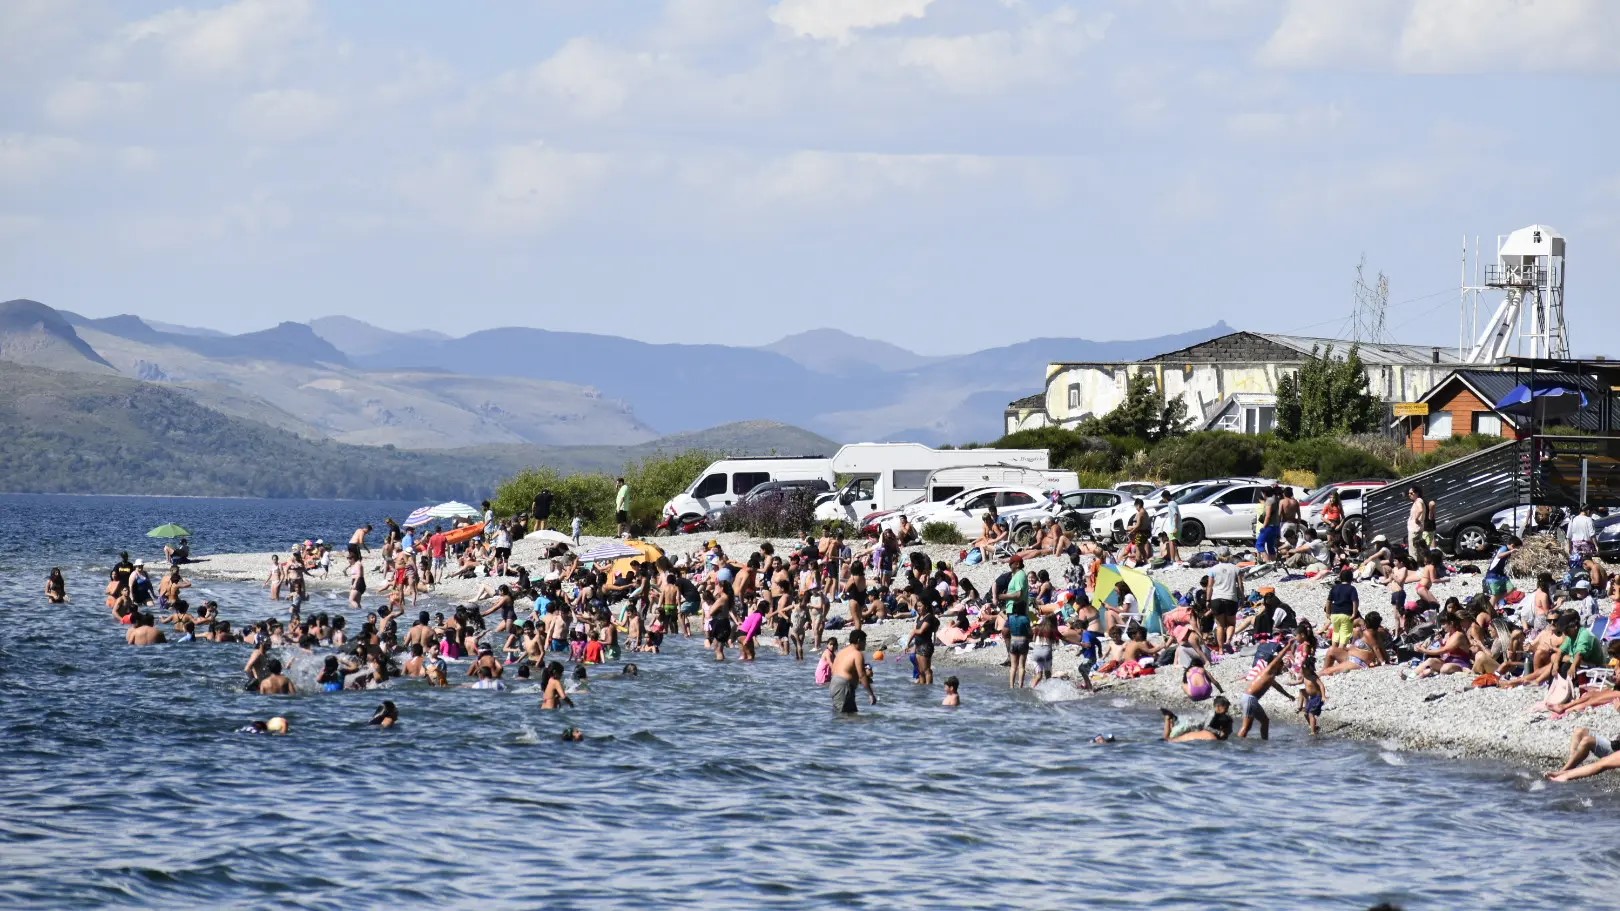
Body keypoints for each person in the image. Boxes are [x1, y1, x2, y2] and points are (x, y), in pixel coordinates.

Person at [1239, 646, 1292, 739]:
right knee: (1246, 727)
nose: (1282, 670)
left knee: (1265, 721)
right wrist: (1288, 645)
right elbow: (1279, 657)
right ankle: (1237, 747)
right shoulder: (1268, 670)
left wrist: (1288, 695)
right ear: (1277, 665)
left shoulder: (1270, 676)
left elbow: (1278, 687)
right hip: (1250, 699)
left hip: (1252, 700)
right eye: (1282, 667)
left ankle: (1264, 742)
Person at [1204, 547, 1243, 653]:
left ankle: (1221, 649)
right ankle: (1228, 641)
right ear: (1229, 555)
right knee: (1231, 623)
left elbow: (1209, 586)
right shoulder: (1236, 569)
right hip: (1231, 598)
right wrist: (1242, 597)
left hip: (1216, 599)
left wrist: (1208, 600)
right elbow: (1239, 586)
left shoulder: (1213, 569)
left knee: (1220, 625)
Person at [1546, 727, 1620, 782]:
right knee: (1580, 732)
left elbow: (1600, 765)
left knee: (1601, 763)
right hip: (1615, 746)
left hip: (1616, 751)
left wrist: (1567, 776)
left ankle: (1566, 773)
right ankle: (1569, 768)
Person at [830, 629, 876, 714]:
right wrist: (871, 694)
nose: (865, 644)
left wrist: (854, 679)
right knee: (843, 715)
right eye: (864, 641)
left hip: (834, 683)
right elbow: (862, 675)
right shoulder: (857, 654)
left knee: (849, 713)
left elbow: (835, 670)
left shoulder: (841, 652)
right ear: (858, 640)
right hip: (844, 686)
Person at [1161, 698, 1233, 742]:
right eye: (1225, 708)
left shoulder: (1217, 716)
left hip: (1192, 729)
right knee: (1167, 739)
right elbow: (1206, 727)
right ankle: (1168, 718)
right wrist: (1219, 733)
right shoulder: (1213, 716)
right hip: (1189, 726)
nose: (1231, 731)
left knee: (1172, 736)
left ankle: (1171, 719)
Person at [1325, 569, 1360, 646]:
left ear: (1340, 578)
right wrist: (1354, 613)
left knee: (1336, 633)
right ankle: (1340, 652)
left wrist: (1328, 613)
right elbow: (1355, 601)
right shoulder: (1351, 588)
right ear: (1351, 579)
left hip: (1335, 614)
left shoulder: (1334, 588)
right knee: (1344, 635)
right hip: (1346, 614)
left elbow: (1328, 601)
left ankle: (1334, 651)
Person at [910, 601, 939, 685]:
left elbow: (920, 631)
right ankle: (922, 690)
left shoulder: (929, 617)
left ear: (925, 606)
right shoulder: (919, 617)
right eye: (917, 606)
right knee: (920, 671)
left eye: (920, 606)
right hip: (918, 645)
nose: (918, 608)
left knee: (926, 670)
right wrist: (910, 644)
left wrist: (914, 631)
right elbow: (916, 633)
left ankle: (928, 688)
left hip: (926, 646)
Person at [1296, 659, 1325, 735]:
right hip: (1311, 698)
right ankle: (1314, 727)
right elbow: (1300, 681)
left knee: (1311, 714)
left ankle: (1313, 732)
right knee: (1305, 713)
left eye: (1303, 669)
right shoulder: (1305, 676)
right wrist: (1291, 683)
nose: (1301, 670)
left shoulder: (1313, 677)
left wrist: (1323, 696)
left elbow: (1321, 685)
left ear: (1309, 669)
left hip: (1317, 697)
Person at [1159, 490, 1181, 563]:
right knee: (1173, 543)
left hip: (1174, 527)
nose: (1163, 500)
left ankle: (1172, 559)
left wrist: (1175, 527)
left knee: (1171, 542)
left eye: (1163, 498)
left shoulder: (1171, 504)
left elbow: (1175, 515)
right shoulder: (1173, 503)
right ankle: (1176, 558)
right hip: (1175, 526)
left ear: (1165, 498)